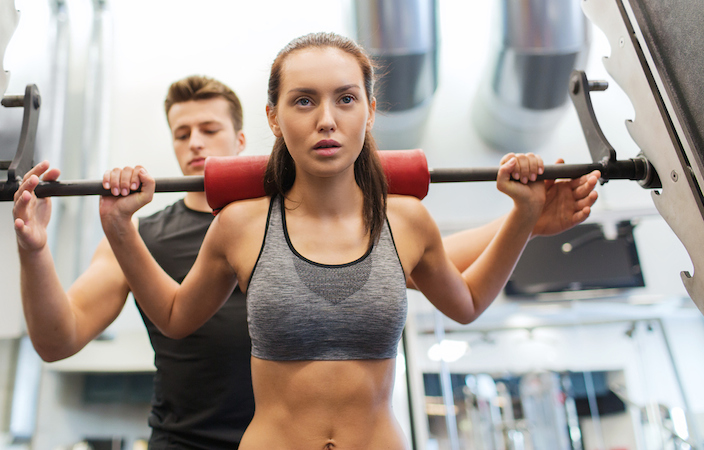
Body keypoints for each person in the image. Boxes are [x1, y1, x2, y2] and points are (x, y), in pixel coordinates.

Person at [98, 33, 601, 449]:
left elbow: (467, 303)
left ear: (369, 110)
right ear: (273, 118)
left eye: (345, 98)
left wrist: (524, 212)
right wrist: (120, 228)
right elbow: (174, 317)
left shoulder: (406, 220)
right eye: (303, 101)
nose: (326, 119)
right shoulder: (241, 225)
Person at [12, 76, 254, 449]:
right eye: (182, 132)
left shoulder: (279, 225)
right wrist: (35, 251)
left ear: (240, 140)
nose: (195, 142)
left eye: (209, 129)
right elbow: (57, 340)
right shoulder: (139, 236)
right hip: (184, 442)